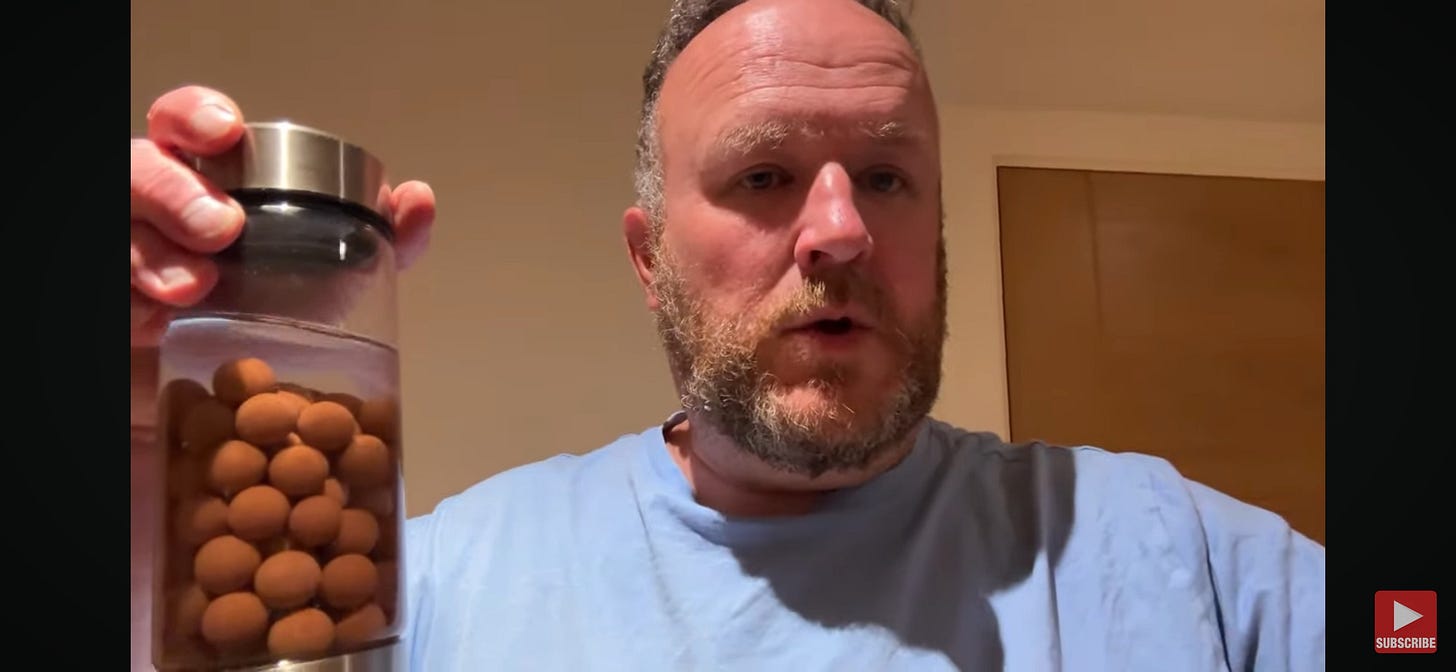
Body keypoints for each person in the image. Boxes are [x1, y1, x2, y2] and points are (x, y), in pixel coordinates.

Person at [130, 0, 1325, 669]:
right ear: (649, 260)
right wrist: (147, 437)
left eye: (887, 178)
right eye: (763, 175)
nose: (840, 230)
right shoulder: (432, 587)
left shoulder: (1170, 555)